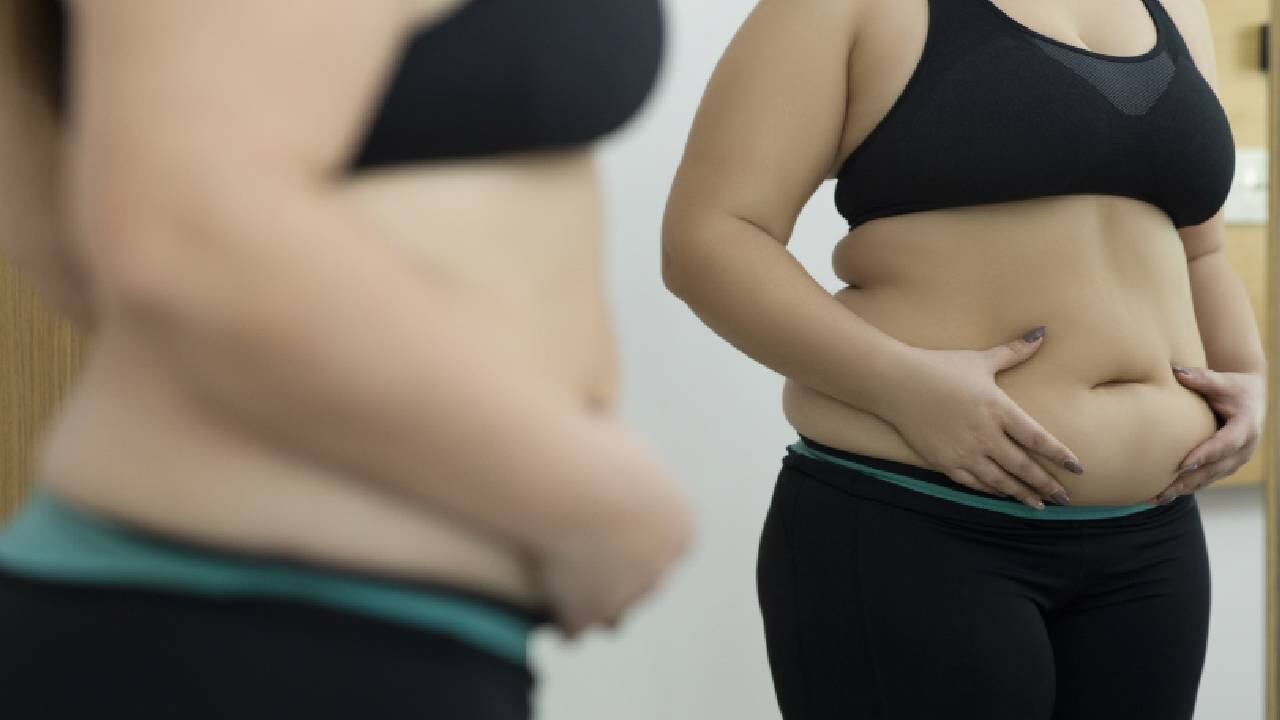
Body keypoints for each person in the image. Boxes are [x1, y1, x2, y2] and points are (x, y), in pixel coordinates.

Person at [0, 1, 692, 717]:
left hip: (336, 635)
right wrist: (599, 500)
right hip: (238, 635)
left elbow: (56, 229)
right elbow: (184, 235)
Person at [662, 0, 1267, 718]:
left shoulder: (1173, 9)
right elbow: (710, 236)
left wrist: (1250, 379)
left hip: (1151, 541)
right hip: (921, 523)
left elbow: (1200, 249)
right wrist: (901, 387)